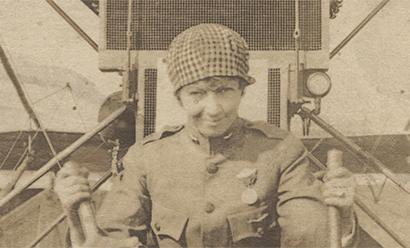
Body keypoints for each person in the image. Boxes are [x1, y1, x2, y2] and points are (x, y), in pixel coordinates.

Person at [54, 24, 357, 248]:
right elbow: (109, 239)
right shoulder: (147, 157)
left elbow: (310, 237)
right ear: (179, 97)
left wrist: (341, 215)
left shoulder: (281, 152)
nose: (212, 109)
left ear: (242, 91)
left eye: (224, 90)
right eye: (197, 94)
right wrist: (75, 214)